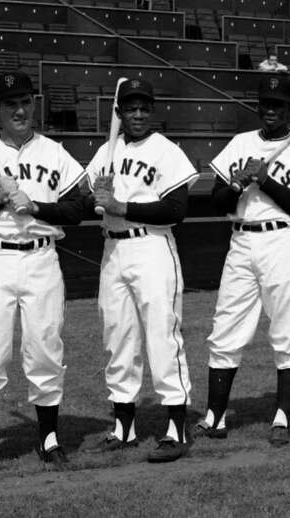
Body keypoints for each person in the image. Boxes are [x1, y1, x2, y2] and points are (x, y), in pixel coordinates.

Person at [0, 71, 87, 475]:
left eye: (25, 101)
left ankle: (49, 437)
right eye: (10, 104)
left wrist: (36, 206)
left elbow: (77, 209)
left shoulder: (55, 153)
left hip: (42, 258)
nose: (19, 110)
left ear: (34, 103)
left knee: (45, 347)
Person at [195, 75, 290, 445]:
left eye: (278, 104)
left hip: (284, 241)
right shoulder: (240, 143)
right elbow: (216, 201)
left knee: (285, 332)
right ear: (259, 106)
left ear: (289, 108)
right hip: (241, 242)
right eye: (266, 103)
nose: (271, 109)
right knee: (224, 330)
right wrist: (236, 183)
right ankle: (215, 416)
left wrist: (267, 181)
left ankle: (283, 417)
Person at [85, 79, 199, 463]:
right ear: (118, 113)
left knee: (161, 335)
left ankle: (177, 428)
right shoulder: (106, 151)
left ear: (152, 111)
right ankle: (124, 426)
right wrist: (97, 198)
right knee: (117, 337)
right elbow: (93, 202)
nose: (137, 114)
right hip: (114, 248)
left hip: (152, 246)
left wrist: (120, 206)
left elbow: (176, 210)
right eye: (130, 108)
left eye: (143, 108)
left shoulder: (167, 152)